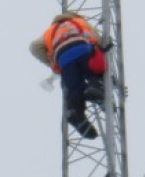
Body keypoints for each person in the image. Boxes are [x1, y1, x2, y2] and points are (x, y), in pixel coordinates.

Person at [30, 11, 109, 139]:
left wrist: (54, 65)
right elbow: (98, 40)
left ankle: (75, 113)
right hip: (82, 49)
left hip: (63, 58)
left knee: (74, 88)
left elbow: (34, 47)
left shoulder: (50, 31)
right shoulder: (80, 22)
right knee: (96, 67)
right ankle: (95, 87)